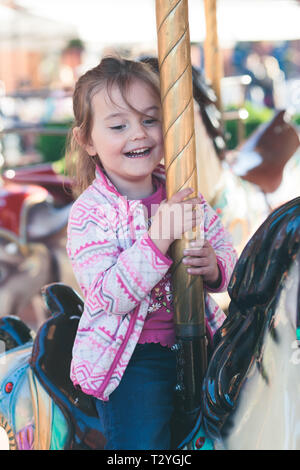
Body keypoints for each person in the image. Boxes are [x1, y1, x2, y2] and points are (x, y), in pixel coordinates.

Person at [65, 56, 237, 450]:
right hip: (131, 363)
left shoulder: (182, 192)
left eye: (149, 119)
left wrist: (214, 267)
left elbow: (228, 252)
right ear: (87, 140)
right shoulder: (91, 213)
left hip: (203, 343)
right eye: (118, 125)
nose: (138, 135)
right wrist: (158, 239)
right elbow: (109, 295)